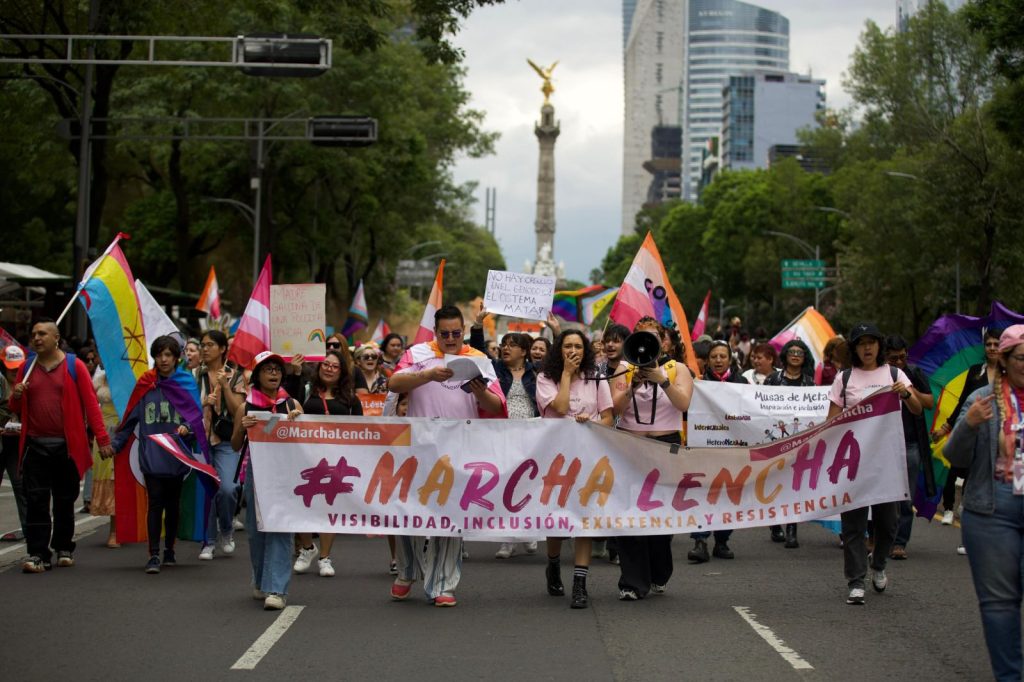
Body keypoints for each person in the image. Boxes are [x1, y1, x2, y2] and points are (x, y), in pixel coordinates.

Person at [387, 306, 506, 607]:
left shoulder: (478, 360)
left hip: (460, 448)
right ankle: (407, 571)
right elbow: (393, 384)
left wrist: (479, 392)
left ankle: (443, 584)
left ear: (463, 331)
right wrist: (426, 375)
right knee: (409, 512)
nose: (451, 339)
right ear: (435, 332)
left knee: (451, 515)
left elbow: (495, 406)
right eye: (445, 334)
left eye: (456, 333)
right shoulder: (417, 355)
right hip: (419, 448)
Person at [945, 324, 1024, 680]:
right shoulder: (982, 399)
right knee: (1001, 605)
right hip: (994, 508)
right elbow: (954, 456)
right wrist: (969, 425)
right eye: (1022, 357)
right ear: (1005, 360)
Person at [826, 323, 921, 606]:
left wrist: (904, 393)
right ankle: (856, 581)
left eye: (872, 342)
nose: (867, 348)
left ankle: (878, 564)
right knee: (854, 523)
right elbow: (831, 422)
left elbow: (916, 409)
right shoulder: (844, 379)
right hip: (854, 463)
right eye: (861, 343)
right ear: (854, 349)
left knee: (888, 522)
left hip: (887, 462)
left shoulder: (895, 374)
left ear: (879, 346)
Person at [9, 319, 112, 573]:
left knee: (65, 500)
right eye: (33, 334)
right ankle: (37, 553)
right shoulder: (27, 368)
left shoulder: (73, 365)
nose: (36, 338)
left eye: (42, 333)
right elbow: (14, 408)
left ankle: (64, 546)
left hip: (66, 447)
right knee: (36, 501)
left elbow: (91, 406)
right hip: (35, 446)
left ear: (56, 338)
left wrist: (103, 440)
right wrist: (17, 395)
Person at [611, 317, 694, 600]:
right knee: (628, 512)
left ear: (664, 341)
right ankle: (632, 582)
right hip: (630, 443)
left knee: (659, 512)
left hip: (665, 445)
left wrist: (664, 381)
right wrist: (633, 385)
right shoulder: (623, 368)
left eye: (653, 337)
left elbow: (683, 404)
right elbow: (615, 407)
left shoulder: (677, 368)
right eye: (641, 336)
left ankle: (659, 571)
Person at [109, 336, 207, 574]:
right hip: (151, 453)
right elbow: (130, 418)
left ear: (176, 358)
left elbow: (195, 417)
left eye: (168, 355)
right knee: (155, 503)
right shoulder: (145, 383)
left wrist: (187, 427)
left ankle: (170, 551)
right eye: (159, 355)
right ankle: (153, 554)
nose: (163, 360)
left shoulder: (185, 382)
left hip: (176, 456)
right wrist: (114, 445)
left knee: (172, 504)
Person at [536, 329, 613, 608]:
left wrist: (591, 425)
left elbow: (608, 418)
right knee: (558, 518)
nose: (573, 351)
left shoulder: (596, 377)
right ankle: (553, 564)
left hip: (589, 457)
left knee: (585, 517)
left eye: (578, 346)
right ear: (559, 350)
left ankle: (580, 583)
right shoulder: (546, 378)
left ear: (586, 351)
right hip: (557, 459)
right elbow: (558, 407)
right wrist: (567, 375)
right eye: (567, 346)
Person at [231, 351, 303, 610]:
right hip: (256, 473)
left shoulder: (292, 405)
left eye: (277, 369)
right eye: (267, 369)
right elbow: (235, 444)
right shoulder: (245, 406)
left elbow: (307, 444)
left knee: (281, 527)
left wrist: (298, 424)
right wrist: (242, 426)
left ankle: (277, 589)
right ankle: (262, 579)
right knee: (256, 530)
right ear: (258, 376)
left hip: (286, 474)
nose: (273, 373)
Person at [469, 316, 541, 559]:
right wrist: (478, 326)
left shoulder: (535, 371)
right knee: (505, 485)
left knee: (527, 484)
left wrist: (554, 329)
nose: (505, 348)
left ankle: (528, 532)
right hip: (502, 434)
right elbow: (478, 352)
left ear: (524, 351)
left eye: (512, 344)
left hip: (532, 435)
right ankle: (506, 539)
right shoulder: (496, 368)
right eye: (504, 344)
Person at [288, 350, 363, 578]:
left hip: (336, 460)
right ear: (319, 368)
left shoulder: (350, 400)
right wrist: (295, 373)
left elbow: (362, 431)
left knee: (329, 507)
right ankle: (308, 549)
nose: (329, 369)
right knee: (303, 504)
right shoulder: (307, 391)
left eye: (335, 366)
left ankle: (325, 557)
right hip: (306, 458)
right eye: (326, 365)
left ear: (342, 372)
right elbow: (288, 403)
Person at [938, 328, 1001, 554]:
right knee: (972, 482)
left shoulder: (1014, 377)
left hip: (1002, 441)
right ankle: (969, 536)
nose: (992, 348)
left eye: (997, 344)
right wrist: (948, 425)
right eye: (989, 344)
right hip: (977, 437)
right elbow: (964, 402)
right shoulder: (976, 372)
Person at [688, 339, 749, 562]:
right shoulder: (699, 384)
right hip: (705, 449)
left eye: (722, 356)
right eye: (714, 357)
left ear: (730, 358)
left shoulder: (742, 383)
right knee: (703, 493)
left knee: (728, 494)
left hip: (733, 449)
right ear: (708, 360)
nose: (718, 360)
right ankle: (700, 540)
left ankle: (722, 542)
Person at [197, 330, 246, 561]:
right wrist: (202, 403)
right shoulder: (194, 375)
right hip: (200, 440)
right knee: (206, 490)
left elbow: (239, 411)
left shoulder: (235, 376)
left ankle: (226, 529)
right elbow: (184, 407)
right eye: (202, 345)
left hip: (226, 440)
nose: (204, 349)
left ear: (222, 349)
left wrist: (225, 386)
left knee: (228, 488)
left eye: (210, 345)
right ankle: (208, 541)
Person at [885, 335, 934, 561]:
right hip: (883, 443)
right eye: (893, 358)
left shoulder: (914, 373)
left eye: (902, 357)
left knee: (905, 496)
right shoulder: (878, 375)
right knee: (881, 495)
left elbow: (928, 402)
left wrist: (907, 391)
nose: (899, 362)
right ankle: (877, 537)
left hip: (910, 442)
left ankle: (899, 542)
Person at [763, 338, 816, 547]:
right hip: (775, 440)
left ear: (805, 358)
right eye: (792, 352)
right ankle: (775, 524)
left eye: (800, 352)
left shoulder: (810, 383)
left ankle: (792, 528)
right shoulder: (772, 379)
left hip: (799, 441)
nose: (795, 355)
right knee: (775, 481)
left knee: (794, 484)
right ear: (785, 355)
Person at [89, 358, 120, 548]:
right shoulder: (98, 379)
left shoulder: (129, 379)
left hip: (122, 432)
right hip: (102, 433)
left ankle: (118, 530)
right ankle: (115, 530)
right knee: (107, 481)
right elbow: (89, 405)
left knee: (119, 479)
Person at [1, 345, 28, 542]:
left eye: (17, 368)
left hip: (17, 443)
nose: (14, 372)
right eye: (11, 368)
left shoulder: (27, 382)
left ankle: (29, 531)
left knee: (20, 485)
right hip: (2, 438)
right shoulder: (1, 383)